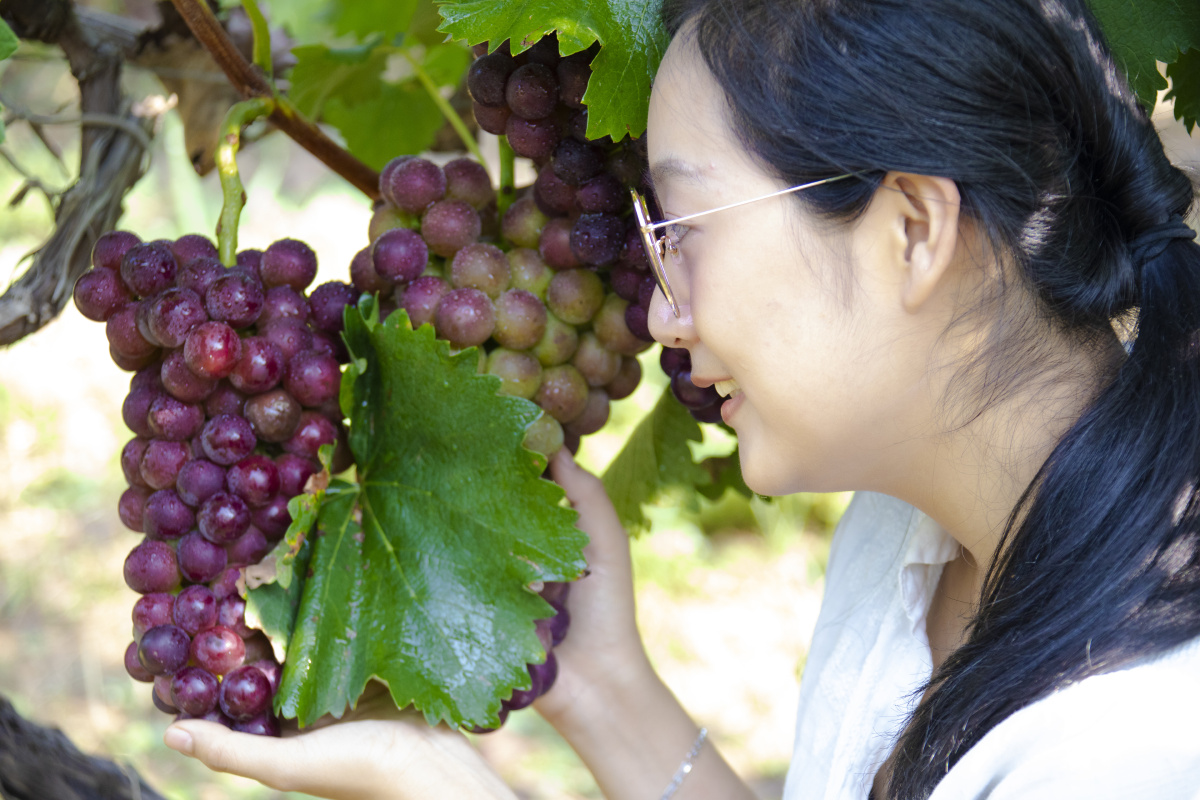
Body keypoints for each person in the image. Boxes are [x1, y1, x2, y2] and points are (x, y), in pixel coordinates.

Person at [162, 0, 1200, 796]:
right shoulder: (914, 528)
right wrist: (605, 681)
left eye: (684, 231)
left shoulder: (1132, 742)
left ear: (915, 231)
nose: (659, 317)